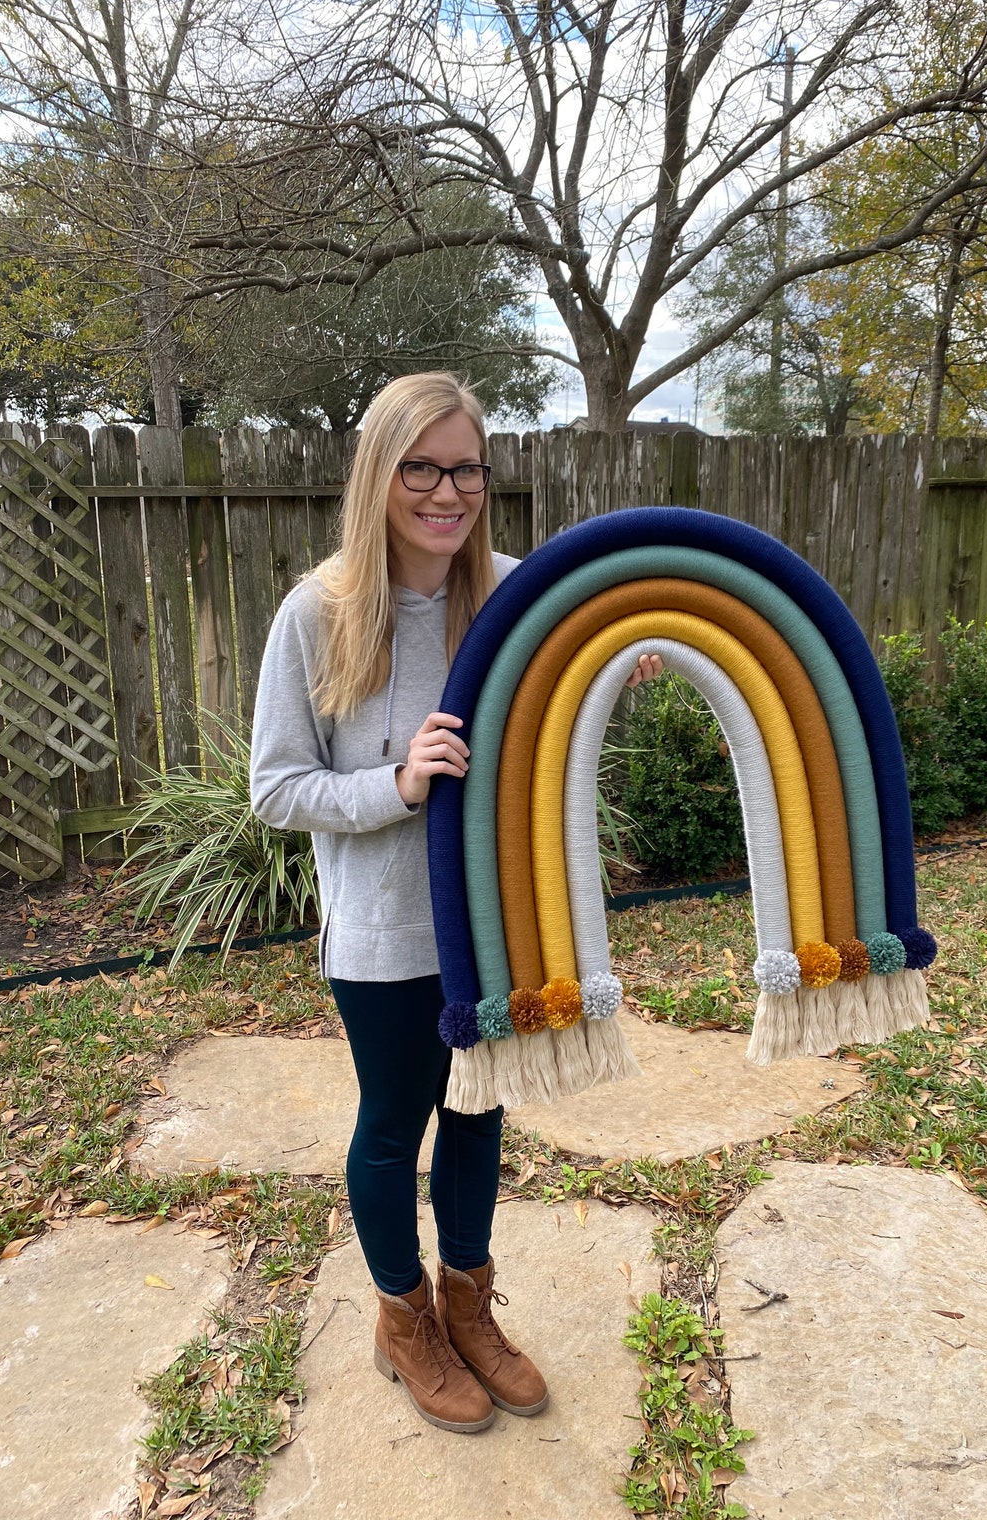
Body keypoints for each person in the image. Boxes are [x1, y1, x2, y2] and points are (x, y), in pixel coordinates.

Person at [250, 372, 660, 1435]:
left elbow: (568, 695)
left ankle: (470, 1306)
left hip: (494, 924)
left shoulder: (515, 594)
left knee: (478, 1116)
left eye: (465, 466)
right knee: (393, 1127)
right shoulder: (321, 611)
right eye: (421, 466)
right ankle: (404, 1319)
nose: (447, 490)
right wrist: (396, 784)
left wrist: (626, 660)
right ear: (380, 475)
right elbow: (276, 786)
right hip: (384, 934)